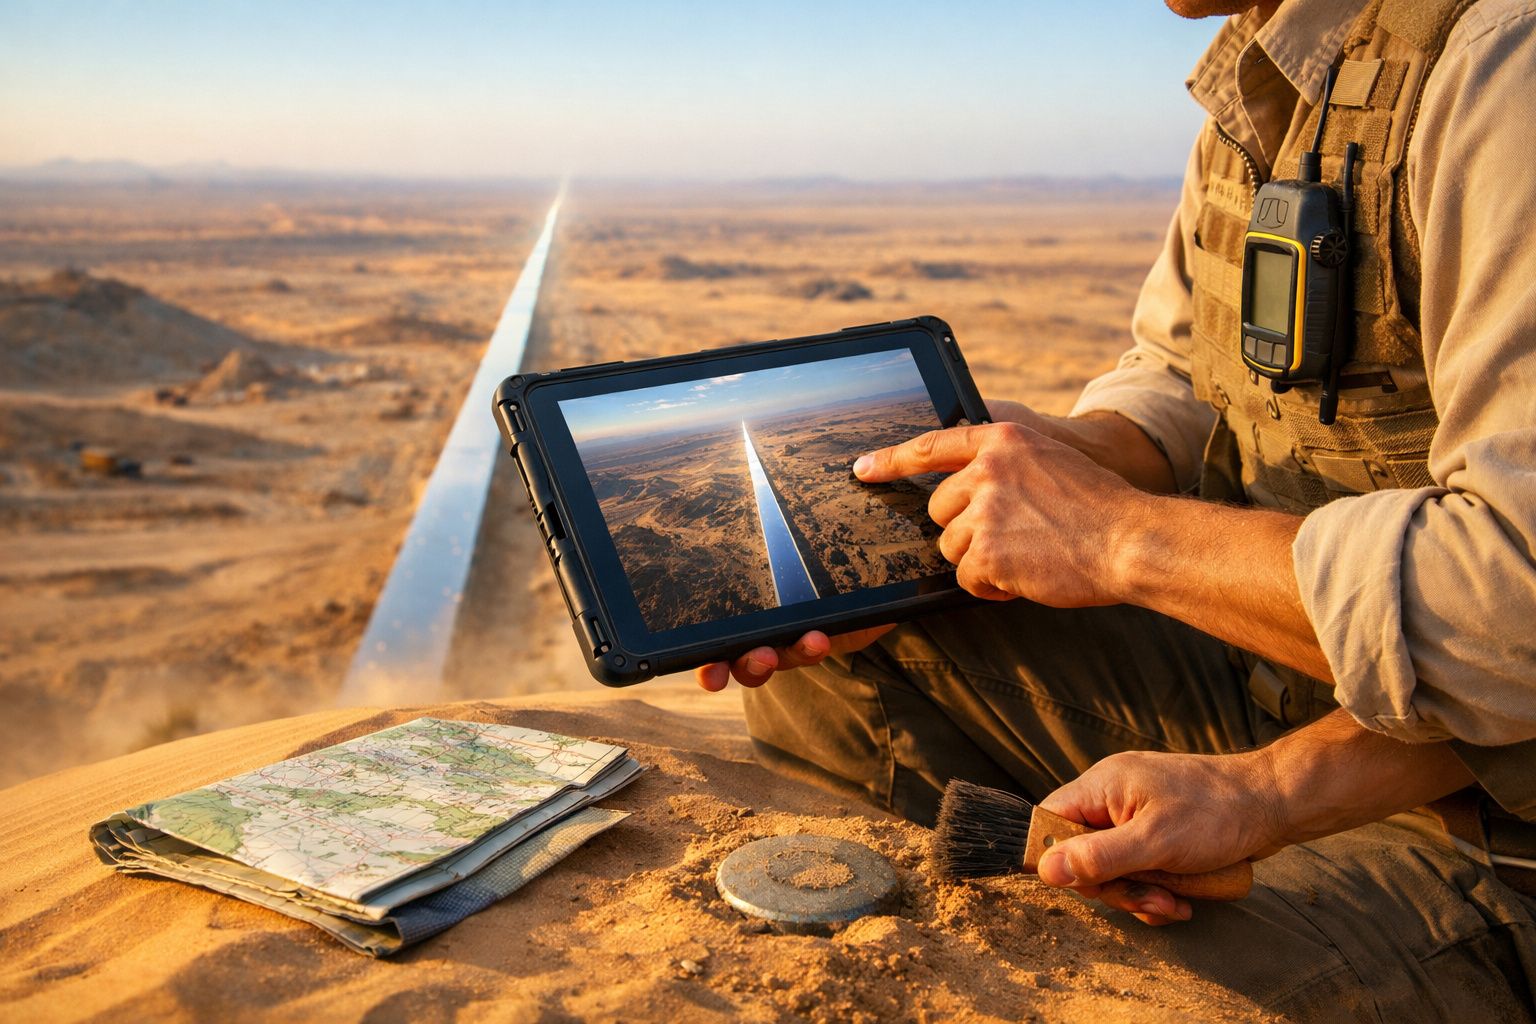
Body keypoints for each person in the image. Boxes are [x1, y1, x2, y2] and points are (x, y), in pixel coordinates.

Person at [697, 0, 1536, 1016]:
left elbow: (1515, 608)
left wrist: (1120, 539)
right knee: (856, 628)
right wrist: (1072, 454)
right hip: (1281, 695)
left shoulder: (1501, 65)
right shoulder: (1269, 80)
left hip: (1486, 822)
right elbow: (1189, 376)